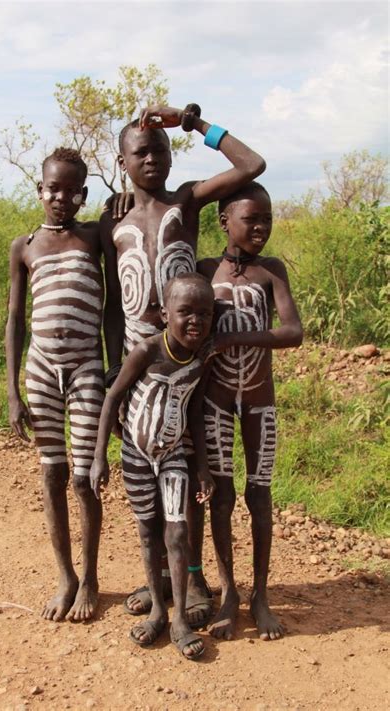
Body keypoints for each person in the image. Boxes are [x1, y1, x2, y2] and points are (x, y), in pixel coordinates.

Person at [101, 103, 266, 624]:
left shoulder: (187, 202)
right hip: (138, 365)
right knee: (146, 473)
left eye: (159, 150)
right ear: (123, 161)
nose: (152, 158)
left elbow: (252, 165)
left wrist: (194, 125)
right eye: (140, 152)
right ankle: (161, 579)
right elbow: (113, 301)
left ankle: (193, 576)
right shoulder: (115, 220)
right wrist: (115, 365)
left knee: (187, 463)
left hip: (189, 363)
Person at [90, 272, 245, 659]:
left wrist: (204, 467)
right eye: (185, 312)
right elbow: (112, 400)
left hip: (174, 455)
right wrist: (98, 458)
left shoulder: (199, 360)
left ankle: (178, 620)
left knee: (177, 533)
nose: (196, 321)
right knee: (148, 532)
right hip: (136, 456)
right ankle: (159, 611)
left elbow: (194, 412)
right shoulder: (147, 351)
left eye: (205, 314)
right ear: (164, 315)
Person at [5, 147, 129, 623]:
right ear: (40, 190)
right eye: (52, 189)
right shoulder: (26, 245)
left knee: (85, 477)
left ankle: (92, 576)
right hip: (40, 370)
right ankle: (65, 576)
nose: (60, 198)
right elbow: (16, 319)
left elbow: (112, 307)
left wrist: (114, 365)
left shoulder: (94, 237)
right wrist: (13, 390)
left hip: (85, 370)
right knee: (51, 473)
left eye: (70, 191)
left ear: (82, 195)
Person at [197, 181, 303, 641]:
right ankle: (227, 593)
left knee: (258, 495)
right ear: (224, 221)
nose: (261, 227)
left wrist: (236, 338)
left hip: (260, 401)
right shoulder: (204, 270)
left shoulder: (270, 271)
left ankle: (259, 594)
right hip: (216, 401)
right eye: (251, 219)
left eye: (267, 219)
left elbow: (293, 331)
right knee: (220, 496)